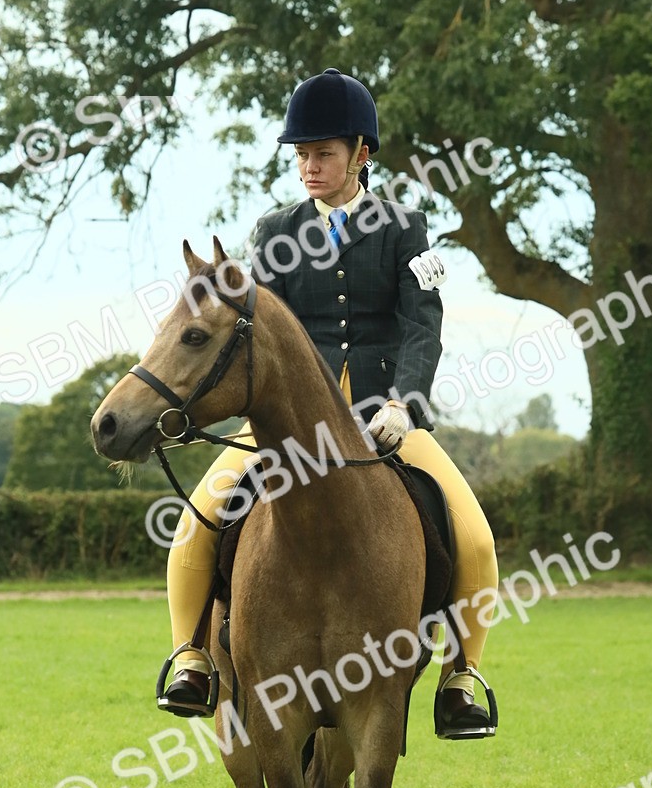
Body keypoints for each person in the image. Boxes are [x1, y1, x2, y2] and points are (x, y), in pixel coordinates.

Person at [163, 67, 498, 739]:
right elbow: (262, 332)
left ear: (360, 155)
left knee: (475, 539)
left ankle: (460, 674)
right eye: (302, 156)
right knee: (195, 527)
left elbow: (420, 323)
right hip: (289, 425)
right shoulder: (276, 230)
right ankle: (192, 656)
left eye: (323, 155)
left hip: (387, 418)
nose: (310, 167)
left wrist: (404, 403)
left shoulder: (407, 227)